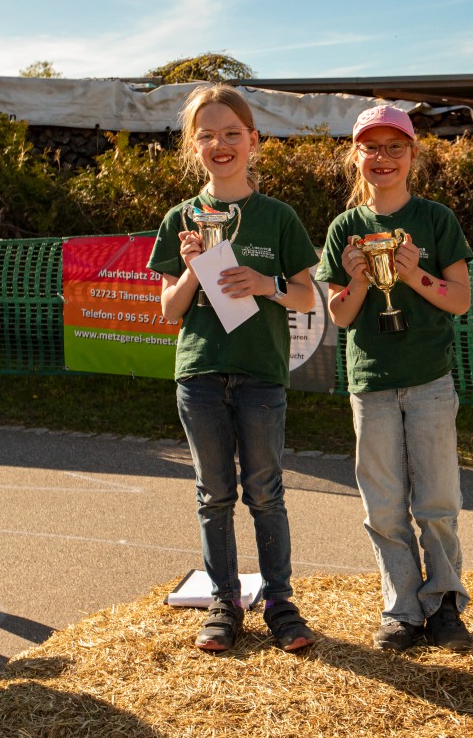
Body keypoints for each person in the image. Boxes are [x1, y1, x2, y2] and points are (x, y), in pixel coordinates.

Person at [147, 84, 319, 652]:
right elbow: (171, 310)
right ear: (192, 147)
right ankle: (224, 605)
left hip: (261, 375)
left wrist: (266, 285)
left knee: (265, 492)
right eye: (206, 136)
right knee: (213, 494)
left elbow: (307, 298)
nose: (219, 145)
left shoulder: (277, 217)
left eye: (231, 134)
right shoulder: (180, 218)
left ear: (253, 141)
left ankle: (280, 605)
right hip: (199, 374)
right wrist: (196, 267)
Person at [315, 105, 473, 652]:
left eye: (394, 147)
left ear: (412, 155)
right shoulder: (345, 229)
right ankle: (402, 609)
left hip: (430, 381)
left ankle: (446, 603)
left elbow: (460, 299)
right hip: (372, 383)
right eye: (371, 148)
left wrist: (414, 272)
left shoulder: (436, 219)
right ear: (355, 155)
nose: (382, 158)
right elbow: (338, 314)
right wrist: (358, 282)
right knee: (382, 506)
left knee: (437, 500)